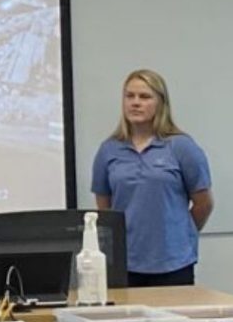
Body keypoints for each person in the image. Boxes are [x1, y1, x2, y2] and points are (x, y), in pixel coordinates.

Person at [92, 69, 214, 286]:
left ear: (160, 102)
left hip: (174, 264)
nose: (135, 103)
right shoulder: (108, 150)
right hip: (125, 263)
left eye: (145, 97)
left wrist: (179, 235)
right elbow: (105, 211)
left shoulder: (182, 147)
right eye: (129, 96)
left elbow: (203, 203)